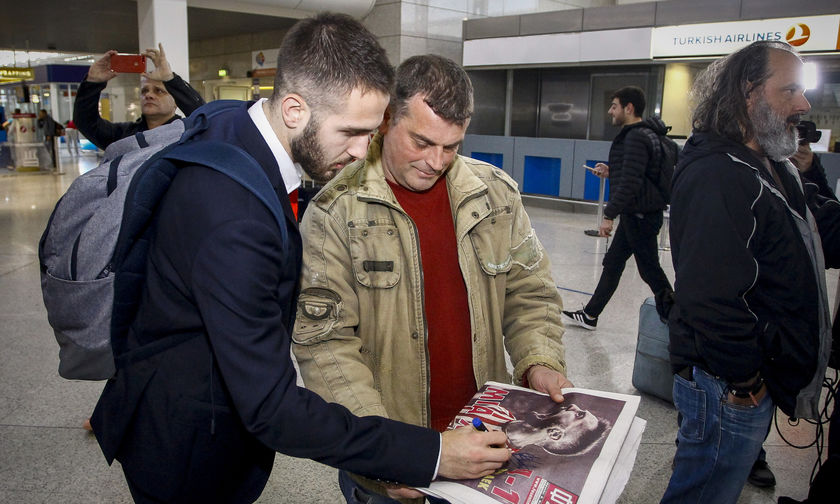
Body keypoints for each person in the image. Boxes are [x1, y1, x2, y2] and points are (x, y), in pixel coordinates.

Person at [89, 14, 509, 504]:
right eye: (351, 132)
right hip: (189, 447)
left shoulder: (233, 126)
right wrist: (430, 453)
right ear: (292, 109)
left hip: (184, 397)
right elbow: (271, 406)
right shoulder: (235, 220)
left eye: (371, 133)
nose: (360, 152)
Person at [292, 54, 569, 504]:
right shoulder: (335, 211)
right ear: (386, 121)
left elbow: (530, 293)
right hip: (398, 457)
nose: (435, 161)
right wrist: (390, 454)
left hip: (486, 446)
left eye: (452, 146)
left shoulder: (495, 195)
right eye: (421, 142)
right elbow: (326, 345)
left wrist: (539, 361)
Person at [661, 40, 832, 504]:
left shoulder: (773, 165)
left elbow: (817, 232)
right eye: (791, 90)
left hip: (749, 379)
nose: (804, 103)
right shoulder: (718, 173)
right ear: (748, 92)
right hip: (727, 387)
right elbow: (709, 297)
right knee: (702, 494)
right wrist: (745, 383)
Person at [562, 86, 673, 330]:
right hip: (638, 213)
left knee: (650, 270)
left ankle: (677, 319)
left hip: (639, 215)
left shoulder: (635, 137)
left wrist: (609, 215)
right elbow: (641, 174)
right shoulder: (647, 135)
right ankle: (591, 315)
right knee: (613, 263)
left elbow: (632, 182)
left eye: (614, 106)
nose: (611, 111)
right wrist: (611, 171)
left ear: (628, 108)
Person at [73, 43, 205, 150]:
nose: (149, 95)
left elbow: (211, 118)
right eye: (144, 91)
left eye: (158, 91)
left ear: (176, 101)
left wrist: (170, 80)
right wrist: (93, 82)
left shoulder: (187, 132)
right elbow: (86, 123)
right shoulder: (125, 135)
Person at [503, 405, 611, 456]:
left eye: (578, 415)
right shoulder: (502, 413)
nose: (573, 406)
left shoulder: (497, 457)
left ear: (555, 434)